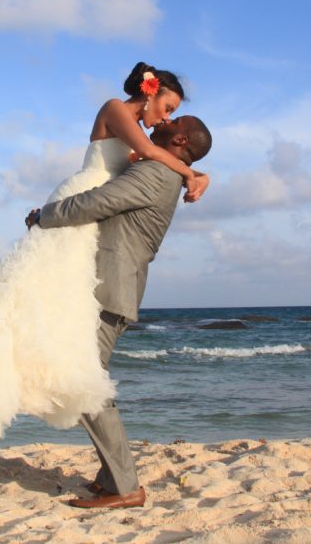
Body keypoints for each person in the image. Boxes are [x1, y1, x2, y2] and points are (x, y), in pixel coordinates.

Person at [0, 62, 208, 443]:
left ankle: (40, 371)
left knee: (58, 302)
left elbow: (150, 161)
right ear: (150, 91)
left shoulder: (146, 141)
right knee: (35, 287)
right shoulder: (116, 110)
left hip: (90, 212)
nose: (165, 118)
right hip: (80, 199)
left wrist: (193, 171)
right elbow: (145, 154)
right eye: (167, 107)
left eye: (172, 114)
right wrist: (194, 174)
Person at [26, 115, 213, 509]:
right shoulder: (165, 170)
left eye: (172, 118)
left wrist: (44, 216)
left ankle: (125, 486)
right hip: (112, 288)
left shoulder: (157, 172)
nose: (162, 119)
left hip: (111, 291)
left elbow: (100, 202)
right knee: (84, 378)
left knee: (84, 381)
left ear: (179, 137)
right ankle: (111, 475)